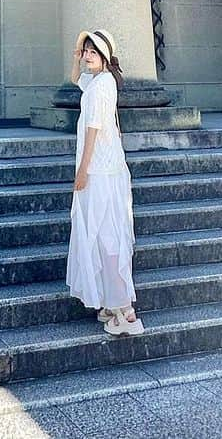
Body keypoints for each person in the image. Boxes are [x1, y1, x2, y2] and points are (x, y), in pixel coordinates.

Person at [66, 28, 143, 336]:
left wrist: (82, 171)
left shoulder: (101, 87)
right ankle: (113, 304)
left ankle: (124, 309)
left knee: (106, 236)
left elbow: (93, 131)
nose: (86, 56)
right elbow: (76, 80)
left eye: (92, 52)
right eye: (86, 52)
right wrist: (76, 52)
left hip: (99, 171)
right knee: (105, 235)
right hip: (108, 168)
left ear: (105, 57)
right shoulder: (101, 82)